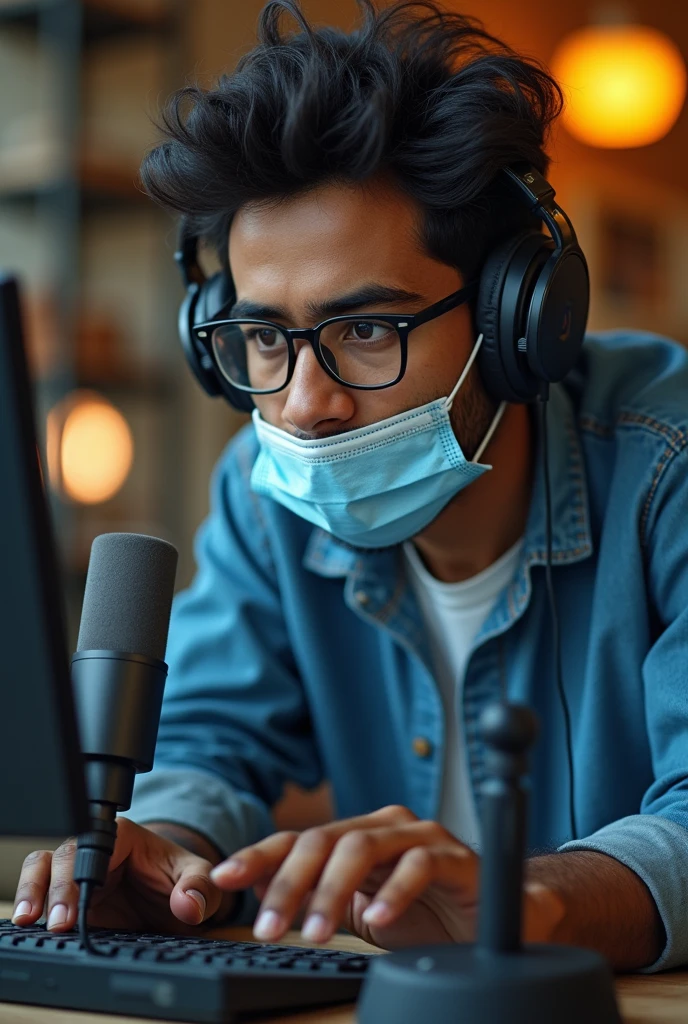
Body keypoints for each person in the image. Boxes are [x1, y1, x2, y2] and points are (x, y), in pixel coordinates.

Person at [13, 0, 688, 973]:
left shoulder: (666, 460)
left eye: (367, 329)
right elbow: (209, 735)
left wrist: (523, 900)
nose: (302, 404)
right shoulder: (262, 486)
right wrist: (163, 848)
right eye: (261, 338)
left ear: (518, 321)